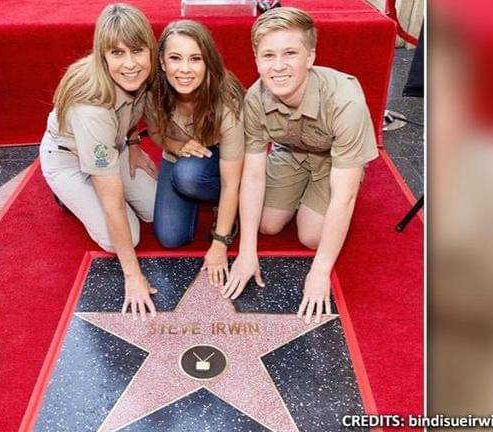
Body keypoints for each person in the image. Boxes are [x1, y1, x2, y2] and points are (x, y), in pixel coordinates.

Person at [224, 7, 379, 322]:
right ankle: (299, 194)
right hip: (290, 152)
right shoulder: (254, 99)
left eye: (290, 53)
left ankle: (320, 194)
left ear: (310, 57)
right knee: (266, 225)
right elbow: (252, 176)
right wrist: (246, 251)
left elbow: (344, 195)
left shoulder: (345, 102)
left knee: (311, 237)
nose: (278, 66)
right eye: (268, 55)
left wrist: (320, 271)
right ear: (256, 60)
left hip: (333, 161)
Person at [39, 4, 159, 320]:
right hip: (68, 158)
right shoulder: (91, 109)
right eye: (117, 53)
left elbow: (130, 115)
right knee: (124, 237)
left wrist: (134, 142)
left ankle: (99, 182)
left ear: (150, 49)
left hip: (113, 144)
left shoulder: (144, 76)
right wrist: (133, 276)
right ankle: (65, 192)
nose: (130, 64)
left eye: (137, 51)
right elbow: (113, 205)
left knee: (155, 210)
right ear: (103, 56)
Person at [145, 20, 245, 287]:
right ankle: (195, 189)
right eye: (175, 58)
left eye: (195, 58)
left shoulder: (226, 102)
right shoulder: (153, 91)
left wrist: (220, 243)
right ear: (162, 62)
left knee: (188, 175)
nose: (185, 69)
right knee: (170, 237)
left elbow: (231, 182)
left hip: (224, 158)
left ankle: (226, 209)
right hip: (179, 153)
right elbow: (155, 133)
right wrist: (176, 147)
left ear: (207, 61)